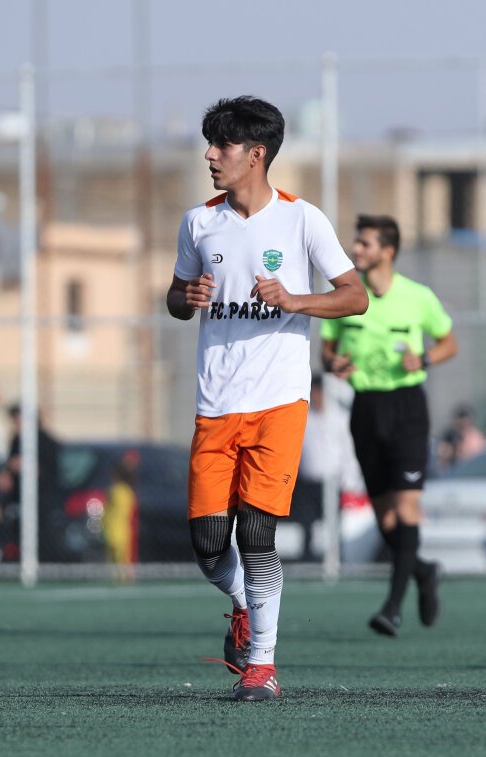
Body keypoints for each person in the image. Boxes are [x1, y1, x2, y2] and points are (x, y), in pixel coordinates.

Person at [167, 96, 367, 701]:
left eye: (222, 145)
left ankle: (262, 667)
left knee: (257, 535)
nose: (210, 155)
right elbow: (176, 298)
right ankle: (241, 606)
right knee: (208, 547)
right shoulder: (198, 222)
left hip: (280, 402)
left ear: (256, 154)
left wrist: (295, 300)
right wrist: (186, 298)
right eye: (209, 144)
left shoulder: (303, 220)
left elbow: (354, 295)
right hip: (215, 405)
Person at [321, 213, 457, 637]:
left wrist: (426, 358)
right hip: (365, 409)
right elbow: (327, 350)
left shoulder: (418, 297)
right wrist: (333, 363)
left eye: (365, 244)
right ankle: (424, 571)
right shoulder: (346, 298)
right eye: (357, 242)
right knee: (385, 517)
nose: (356, 250)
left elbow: (449, 342)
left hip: (407, 408)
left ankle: (393, 607)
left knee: (407, 507)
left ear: (388, 251)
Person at [288, 375, 354, 562]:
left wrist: (347, 480)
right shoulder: (305, 418)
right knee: (306, 523)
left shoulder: (339, 418)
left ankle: (335, 559)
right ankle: (307, 559)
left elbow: (347, 451)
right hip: (307, 482)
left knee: (334, 523)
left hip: (332, 483)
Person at [0, 403, 63, 562]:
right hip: (18, 499)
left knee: (43, 538)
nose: (16, 425)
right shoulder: (16, 440)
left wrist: (25, 465)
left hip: (42, 500)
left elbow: (48, 471)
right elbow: (10, 467)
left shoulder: (46, 442)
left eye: (18, 420)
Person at [103, 454, 139, 584]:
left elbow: (107, 510)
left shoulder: (115, 491)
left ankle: (118, 580)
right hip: (123, 532)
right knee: (122, 560)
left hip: (112, 531)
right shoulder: (128, 492)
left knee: (114, 560)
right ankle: (124, 580)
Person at [438, 405, 486, 470]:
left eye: (466, 419)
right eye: (461, 418)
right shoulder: (450, 435)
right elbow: (443, 454)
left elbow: (481, 453)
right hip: (454, 469)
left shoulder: (476, 436)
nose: (464, 422)